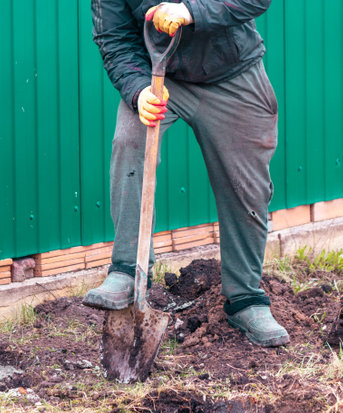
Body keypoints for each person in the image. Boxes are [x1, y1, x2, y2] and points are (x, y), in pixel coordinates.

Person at [83, 0, 290, 347]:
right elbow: (114, 38)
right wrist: (138, 91)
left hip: (233, 73)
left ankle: (245, 299)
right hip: (161, 81)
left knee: (248, 188)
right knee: (130, 139)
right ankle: (127, 271)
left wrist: (190, 11)